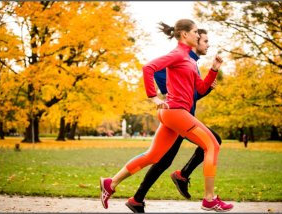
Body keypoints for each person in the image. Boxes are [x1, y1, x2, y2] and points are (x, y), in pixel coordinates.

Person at [100, 19, 233, 212]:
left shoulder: (189, 60)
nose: (198, 35)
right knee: (212, 145)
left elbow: (201, 88)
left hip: (173, 113)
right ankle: (209, 198)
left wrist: (213, 70)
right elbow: (148, 68)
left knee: (153, 156)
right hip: (176, 111)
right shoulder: (178, 54)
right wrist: (153, 97)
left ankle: (110, 183)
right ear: (185, 34)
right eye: (196, 32)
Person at [125, 27, 222, 213]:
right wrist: (157, 97)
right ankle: (181, 176)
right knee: (211, 142)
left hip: (185, 116)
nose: (207, 45)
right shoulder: (179, 59)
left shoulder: (192, 64)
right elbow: (161, 79)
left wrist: (207, 87)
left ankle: (137, 199)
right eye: (204, 41)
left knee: (163, 160)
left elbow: (193, 95)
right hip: (177, 117)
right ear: (193, 39)